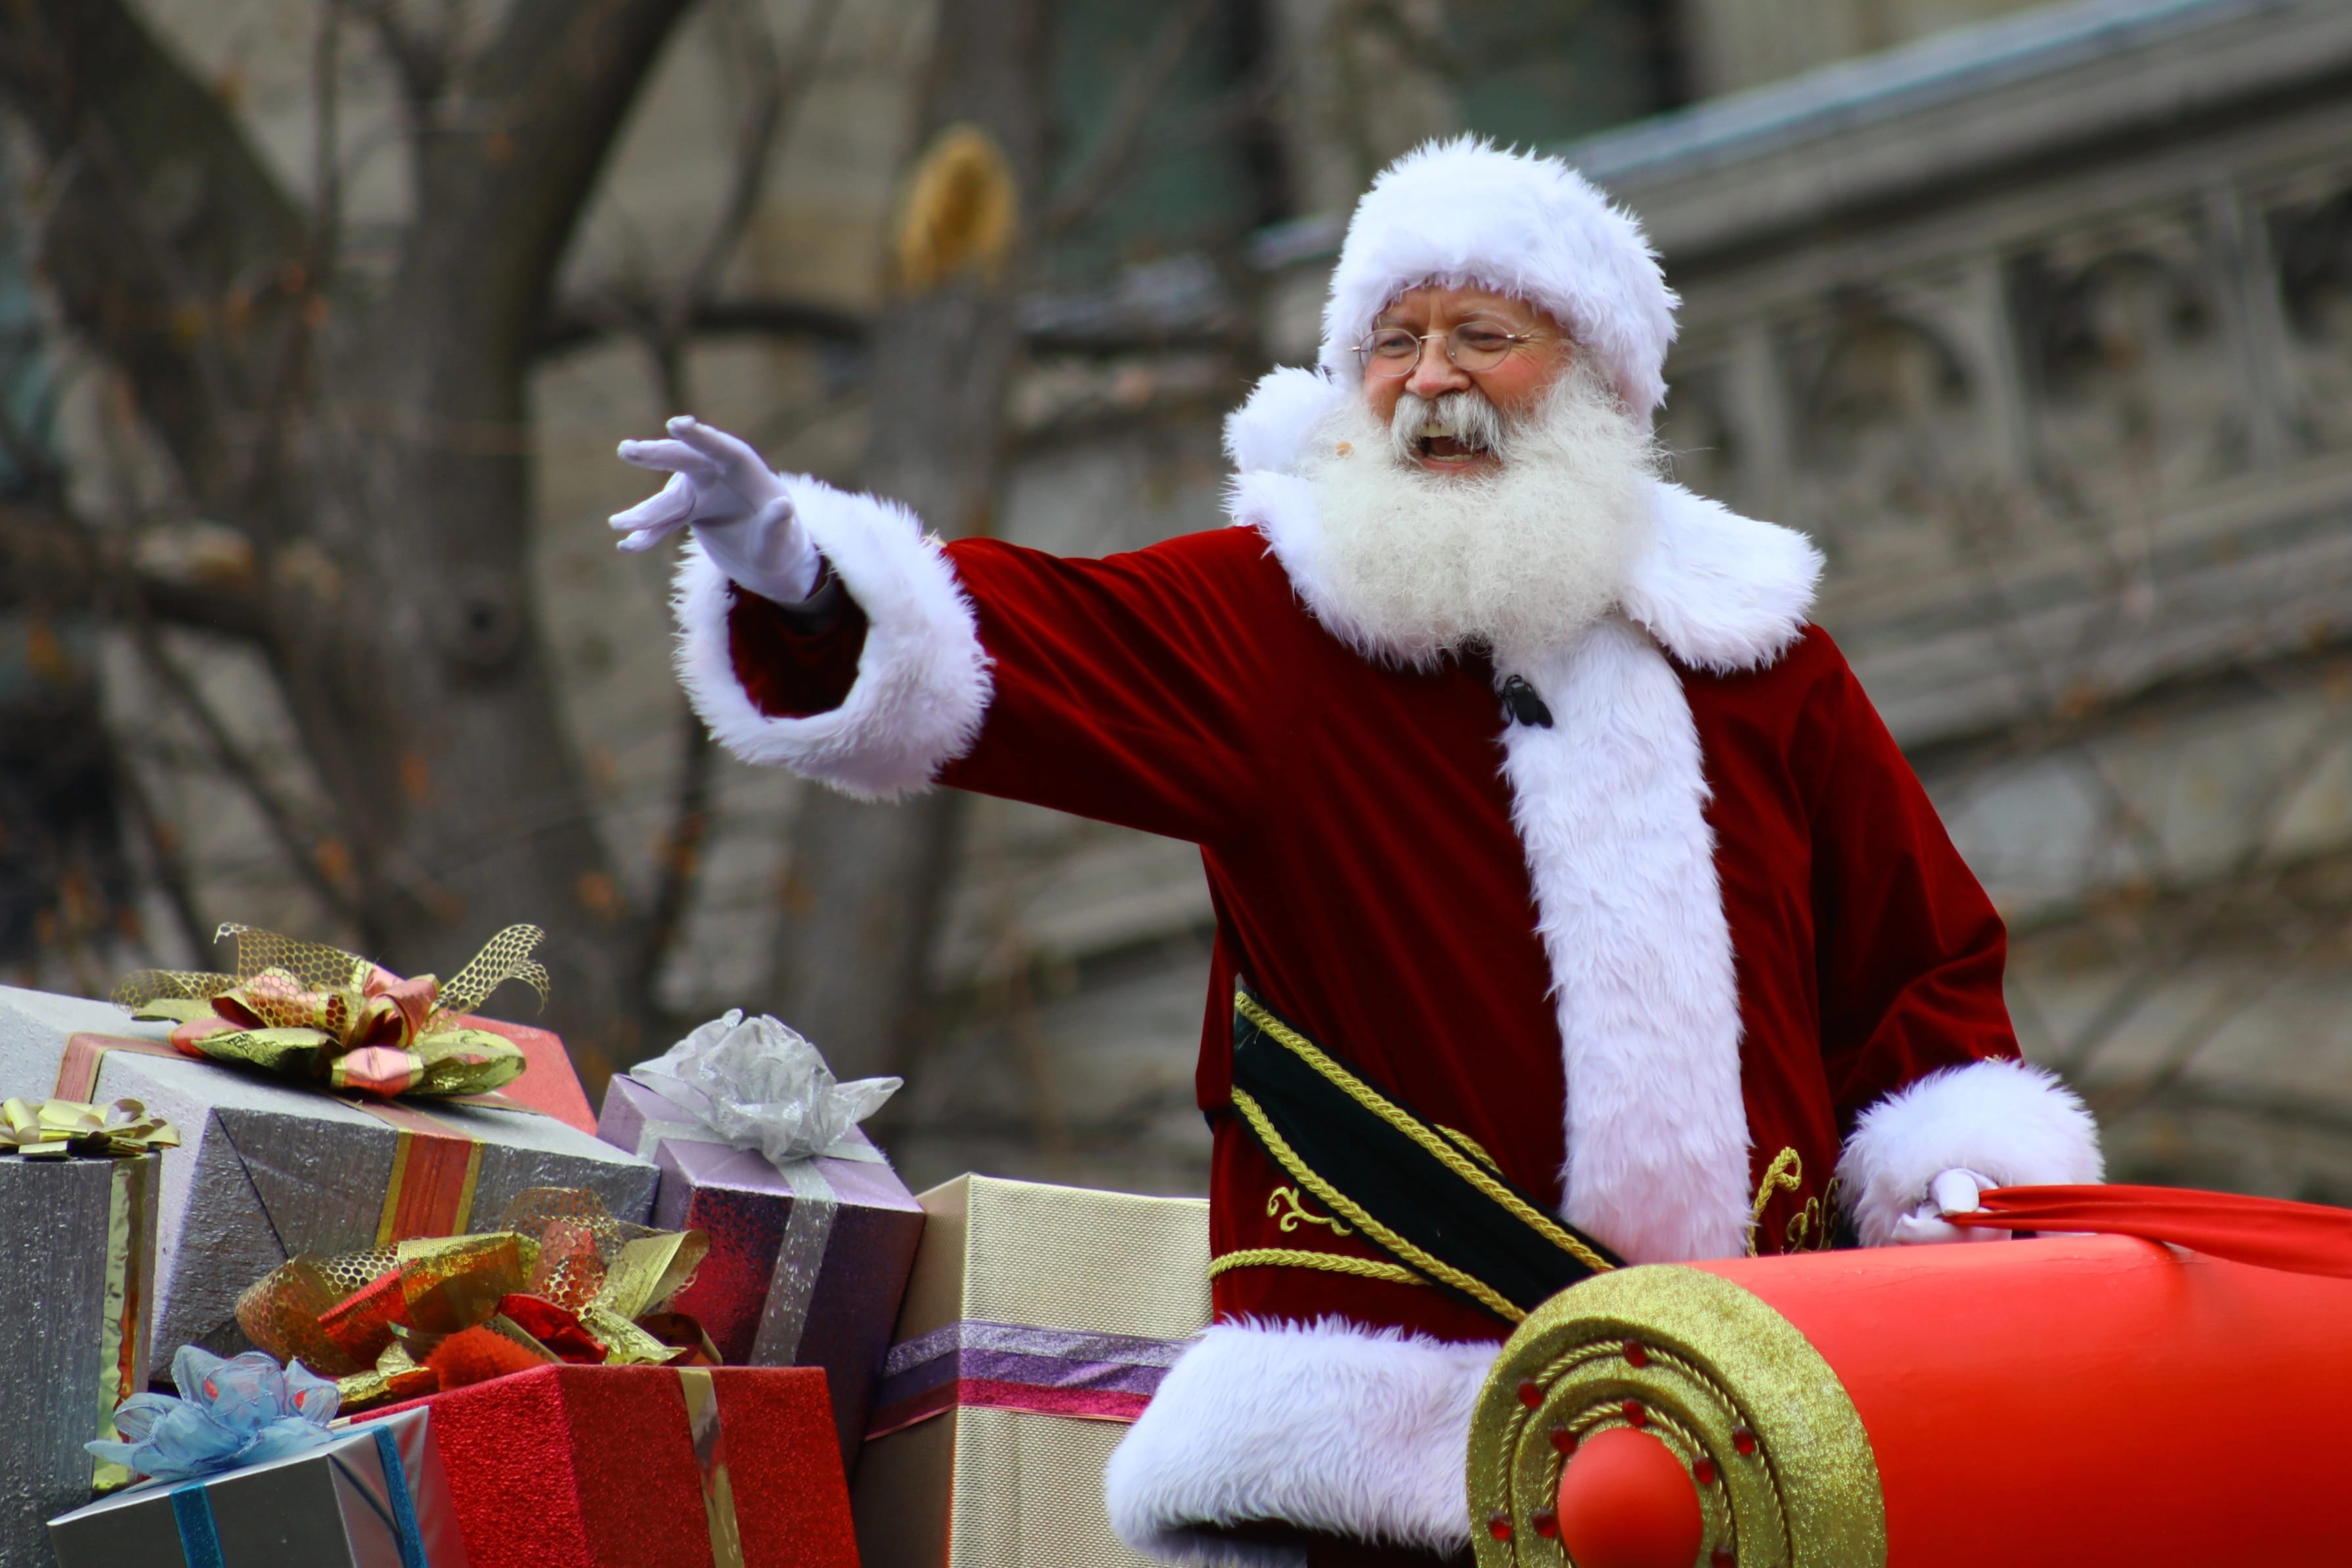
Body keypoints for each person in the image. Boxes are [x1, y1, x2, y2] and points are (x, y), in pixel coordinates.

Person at [611, 137, 2101, 1567]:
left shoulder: (1765, 664)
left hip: (1757, 1428)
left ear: (1593, 380)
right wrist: (806, 575)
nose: (1433, 379)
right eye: (1395, 341)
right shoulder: (1283, 621)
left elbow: (1920, 964)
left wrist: (1955, 1173)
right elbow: (1027, 647)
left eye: (1483, 334)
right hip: (1392, 1471)